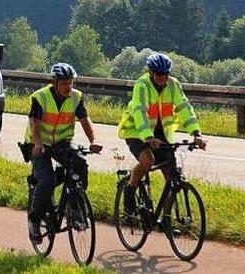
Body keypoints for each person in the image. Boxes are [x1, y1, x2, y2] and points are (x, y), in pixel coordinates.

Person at [117, 53, 207, 212]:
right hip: (136, 132)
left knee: (171, 177)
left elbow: (184, 108)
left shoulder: (173, 85)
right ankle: (130, 189)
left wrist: (196, 133)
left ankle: (165, 219)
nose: (163, 77)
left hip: (161, 134)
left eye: (166, 74)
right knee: (148, 160)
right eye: (159, 74)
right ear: (151, 72)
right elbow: (140, 112)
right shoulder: (142, 85)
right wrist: (148, 137)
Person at [26, 63, 103, 244]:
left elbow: (85, 120)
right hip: (39, 143)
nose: (68, 87)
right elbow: (35, 123)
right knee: (47, 181)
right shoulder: (41, 97)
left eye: (70, 83)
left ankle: (76, 207)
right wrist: (37, 144)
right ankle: (35, 220)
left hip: (62, 142)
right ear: (55, 82)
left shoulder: (76, 97)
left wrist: (93, 141)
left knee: (80, 164)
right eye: (64, 84)